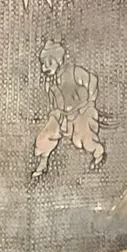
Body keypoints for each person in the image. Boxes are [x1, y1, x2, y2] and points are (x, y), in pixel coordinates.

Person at [32, 41, 105, 179]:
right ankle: (43, 163)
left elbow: (93, 81)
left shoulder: (74, 72)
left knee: (82, 138)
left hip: (81, 112)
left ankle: (98, 153)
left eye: (50, 63)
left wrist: (90, 102)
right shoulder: (50, 82)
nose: (45, 67)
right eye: (43, 64)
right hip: (62, 114)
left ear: (59, 61)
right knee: (47, 133)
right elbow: (54, 100)